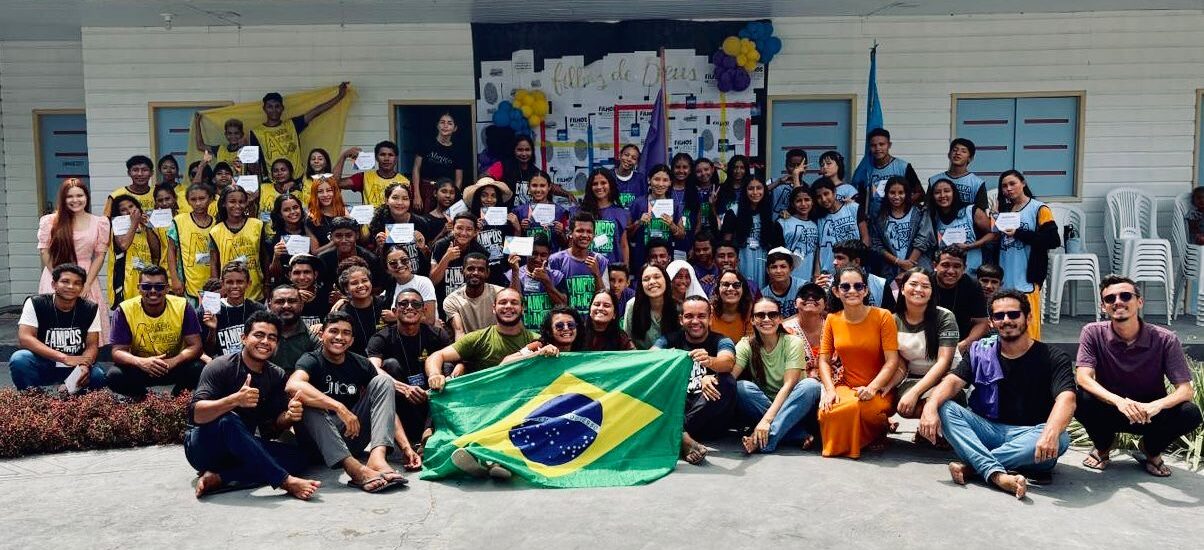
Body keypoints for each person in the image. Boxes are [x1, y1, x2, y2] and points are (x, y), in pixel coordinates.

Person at [919, 290, 1075, 499]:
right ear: (992, 323)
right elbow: (953, 381)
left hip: (1031, 439)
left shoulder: (1053, 357)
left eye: (1013, 314)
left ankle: (974, 466)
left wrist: (1050, 433)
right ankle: (998, 475)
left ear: (1028, 317)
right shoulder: (981, 351)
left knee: (1061, 438)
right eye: (999, 316)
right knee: (944, 406)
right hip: (988, 431)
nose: (1006, 320)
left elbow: (1067, 399)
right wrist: (930, 406)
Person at [1074, 276, 1203, 477]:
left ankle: (1150, 450)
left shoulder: (1165, 339)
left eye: (1125, 296)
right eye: (1110, 299)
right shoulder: (1092, 333)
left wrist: (1156, 406)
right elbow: (1083, 377)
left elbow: (1185, 390)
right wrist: (1119, 402)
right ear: (1103, 307)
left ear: (1139, 302)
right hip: (1110, 409)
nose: (1118, 301)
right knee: (1079, 397)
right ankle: (1103, 446)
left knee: (1190, 413)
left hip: (1149, 415)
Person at [187, 310, 321, 500]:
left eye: (272, 337)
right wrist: (234, 400)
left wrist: (288, 417)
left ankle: (221, 478)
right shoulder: (220, 366)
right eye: (259, 335)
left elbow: (270, 429)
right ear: (243, 338)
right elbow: (196, 415)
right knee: (228, 420)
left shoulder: (276, 375)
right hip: (204, 447)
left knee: (300, 458)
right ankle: (285, 481)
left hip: (242, 448)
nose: (265, 341)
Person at [287, 310, 409, 493]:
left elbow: (385, 406)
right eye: (333, 331)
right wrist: (338, 406)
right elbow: (292, 385)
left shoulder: (361, 363)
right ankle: (354, 468)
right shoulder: (311, 359)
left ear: (352, 340)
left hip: (351, 438)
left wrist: (406, 447)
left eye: (346, 333)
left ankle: (377, 458)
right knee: (306, 400)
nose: (339, 337)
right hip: (317, 442)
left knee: (383, 381)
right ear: (322, 335)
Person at [817, 266, 900, 458]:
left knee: (862, 411)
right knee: (827, 412)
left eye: (858, 286)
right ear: (836, 291)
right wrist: (830, 390)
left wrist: (872, 388)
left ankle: (878, 430)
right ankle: (858, 437)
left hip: (879, 389)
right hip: (846, 386)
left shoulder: (883, 316)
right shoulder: (831, 319)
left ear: (866, 290)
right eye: (845, 287)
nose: (852, 291)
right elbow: (824, 360)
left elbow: (892, 361)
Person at [652, 296, 737, 465]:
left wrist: (710, 363)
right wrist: (666, 357)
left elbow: (728, 362)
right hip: (680, 410)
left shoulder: (721, 340)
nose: (695, 321)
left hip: (710, 421)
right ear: (681, 319)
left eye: (701, 316)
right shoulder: (669, 340)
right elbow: (650, 359)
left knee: (727, 381)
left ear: (710, 319)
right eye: (689, 316)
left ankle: (676, 434)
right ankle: (684, 439)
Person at [366, 288, 453, 451]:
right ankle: (411, 439)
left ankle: (429, 432)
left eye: (416, 304)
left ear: (424, 310)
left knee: (448, 367)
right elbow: (372, 368)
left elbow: (459, 360)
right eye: (403, 303)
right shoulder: (381, 337)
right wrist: (404, 388)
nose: (410, 307)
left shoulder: (438, 335)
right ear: (394, 310)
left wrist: (448, 379)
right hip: (402, 407)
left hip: (432, 403)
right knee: (390, 365)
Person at [735, 298, 822, 454]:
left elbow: (789, 386)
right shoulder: (746, 344)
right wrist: (710, 378)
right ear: (753, 320)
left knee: (811, 385)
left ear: (780, 319)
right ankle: (794, 433)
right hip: (764, 404)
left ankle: (762, 440)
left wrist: (766, 421)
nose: (767, 319)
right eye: (760, 315)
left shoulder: (793, 342)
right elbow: (730, 376)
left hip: (795, 405)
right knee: (741, 387)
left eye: (772, 315)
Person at [106, 266, 205, 398]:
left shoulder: (182, 306)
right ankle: (144, 401)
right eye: (146, 286)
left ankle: (176, 400)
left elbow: (196, 346)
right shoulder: (125, 309)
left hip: (173, 365)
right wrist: (141, 362)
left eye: (159, 287)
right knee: (114, 375)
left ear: (167, 288)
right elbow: (117, 352)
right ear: (139, 288)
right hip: (141, 367)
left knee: (199, 368)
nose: (153, 291)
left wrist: (174, 361)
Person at [12, 264, 105, 391]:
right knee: (19, 359)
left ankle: (71, 400)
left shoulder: (90, 308)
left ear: (82, 287)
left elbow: (92, 345)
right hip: (44, 362)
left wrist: (84, 365)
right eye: (65, 282)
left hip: (75, 364)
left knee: (98, 375)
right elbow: (25, 338)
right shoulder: (36, 303)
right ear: (54, 285)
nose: (71, 287)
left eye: (77, 283)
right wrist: (63, 358)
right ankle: (34, 401)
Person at [37, 178, 110, 339]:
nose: (75, 200)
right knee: (55, 328)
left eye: (80, 195)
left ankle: (85, 363)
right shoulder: (50, 221)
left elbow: (100, 255)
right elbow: (44, 251)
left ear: (86, 197)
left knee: (86, 327)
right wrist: (59, 279)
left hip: (85, 278)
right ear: (63, 199)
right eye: (70, 196)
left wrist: (87, 284)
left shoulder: (100, 223)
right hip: (55, 275)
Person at [890, 268, 961, 429]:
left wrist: (915, 393)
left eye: (925, 286)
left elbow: (944, 362)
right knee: (905, 407)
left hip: (947, 378)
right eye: (913, 284)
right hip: (912, 378)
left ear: (932, 292)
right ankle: (930, 430)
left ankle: (935, 433)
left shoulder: (945, 317)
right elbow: (896, 362)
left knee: (941, 404)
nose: (919, 290)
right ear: (902, 289)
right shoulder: (892, 320)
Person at [424, 288, 536, 387]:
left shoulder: (538, 340)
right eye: (503, 302)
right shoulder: (478, 338)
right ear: (493, 308)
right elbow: (436, 356)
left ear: (522, 308)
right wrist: (435, 375)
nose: (508, 306)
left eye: (514, 303)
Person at [994, 170, 1059, 340]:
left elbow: (1053, 240)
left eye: (1012, 183)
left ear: (1023, 183)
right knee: (1007, 328)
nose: (1008, 188)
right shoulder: (1005, 210)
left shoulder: (1039, 208)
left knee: (1029, 328)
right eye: (1004, 186)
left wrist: (1019, 233)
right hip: (1005, 279)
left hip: (1026, 280)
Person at [249, 84, 349, 180]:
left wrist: (339, 96)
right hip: (273, 182)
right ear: (264, 109)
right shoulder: (256, 132)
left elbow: (316, 112)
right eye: (270, 106)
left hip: (297, 179)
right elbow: (254, 161)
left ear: (282, 108)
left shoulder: (292, 124)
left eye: (277, 106)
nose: (274, 110)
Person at [720, 177, 782, 289]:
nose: (755, 192)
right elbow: (726, 242)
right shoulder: (734, 211)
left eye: (759, 188)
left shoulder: (768, 212)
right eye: (750, 188)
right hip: (741, 256)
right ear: (745, 191)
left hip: (762, 256)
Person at [871, 176, 934, 283]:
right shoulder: (880, 218)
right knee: (894, 298)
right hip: (892, 273)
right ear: (886, 193)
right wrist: (898, 262)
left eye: (901, 192)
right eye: (892, 192)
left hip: (918, 270)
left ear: (907, 194)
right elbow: (877, 245)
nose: (896, 196)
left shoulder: (919, 212)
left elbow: (923, 239)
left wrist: (908, 267)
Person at [209, 186, 268, 302]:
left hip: (255, 289)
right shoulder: (215, 231)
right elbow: (214, 263)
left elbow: (264, 257)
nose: (237, 205)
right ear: (223, 204)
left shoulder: (257, 225)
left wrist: (267, 284)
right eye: (232, 201)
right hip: (229, 291)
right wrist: (217, 289)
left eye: (241, 202)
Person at [201, 262, 267, 361]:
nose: (235, 286)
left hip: (251, 362)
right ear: (222, 284)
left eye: (240, 282)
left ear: (248, 283)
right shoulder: (209, 309)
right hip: (220, 363)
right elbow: (207, 350)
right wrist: (212, 330)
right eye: (230, 282)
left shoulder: (258, 310)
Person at [927, 177, 994, 274]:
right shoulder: (933, 218)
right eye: (937, 192)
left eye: (947, 191)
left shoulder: (971, 211)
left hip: (975, 270)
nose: (942, 195)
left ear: (954, 193)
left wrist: (970, 246)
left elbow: (993, 233)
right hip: (949, 273)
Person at [548, 211, 608, 317]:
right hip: (567, 324)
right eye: (580, 231)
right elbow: (553, 299)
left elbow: (604, 298)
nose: (585, 235)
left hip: (593, 324)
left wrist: (596, 274)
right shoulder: (556, 260)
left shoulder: (601, 260)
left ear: (594, 235)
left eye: (589, 232)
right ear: (570, 233)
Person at [367, 183, 436, 274]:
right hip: (393, 279)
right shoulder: (379, 223)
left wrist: (424, 249)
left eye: (405, 199)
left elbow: (431, 257)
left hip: (419, 277)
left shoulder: (422, 223)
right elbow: (377, 261)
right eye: (395, 198)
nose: (400, 202)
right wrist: (380, 248)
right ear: (387, 200)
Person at [106, 194, 162, 306]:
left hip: (145, 279)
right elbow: (123, 245)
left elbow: (156, 252)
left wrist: (147, 226)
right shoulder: (118, 224)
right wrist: (134, 222)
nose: (129, 211)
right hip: (126, 280)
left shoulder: (143, 225)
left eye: (131, 206)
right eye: (123, 210)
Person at [932, 246, 989, 354]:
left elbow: (981, 323)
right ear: (935, 265)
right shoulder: (925, 283)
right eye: (945, 265)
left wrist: (964, 345)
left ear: (964, 268)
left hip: (960, 344)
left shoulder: (972, 285)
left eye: (957, 266)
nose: (951, 271)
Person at [464, 177, 521, 284]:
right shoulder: (470, 220)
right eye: (484, 195)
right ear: (478, 197)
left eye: (493, 196)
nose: (489, 200)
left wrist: (517, 229)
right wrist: (474, 232)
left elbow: (513, 251)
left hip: (503, 273)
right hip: (478, 273)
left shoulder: (506, 219)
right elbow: (464, 249)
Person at [627, 165, 685, 268]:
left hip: (664, 258)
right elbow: (627, 234)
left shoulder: (674, 205)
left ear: (670, 182)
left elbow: (681, 235)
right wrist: (639, 222)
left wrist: (672, 225)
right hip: (642, 256)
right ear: (649, 180)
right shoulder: (639, 203)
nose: (660, 184)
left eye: (665, 180)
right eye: (656, 179)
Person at [167, 184, 217, 301]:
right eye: (193, 199)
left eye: (202, 198)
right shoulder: (179, 221)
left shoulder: (216, 224)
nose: (198, 203)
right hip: (186, 281)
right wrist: (174, 279)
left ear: (210, 199)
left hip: (210, 280)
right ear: (188, 201)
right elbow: (171, 251)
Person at [860, 128, 922, 219]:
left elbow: (920, 194)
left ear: (889, 145)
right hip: (874, 224)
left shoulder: (903, 167)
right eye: (873, 145)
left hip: (898, 221)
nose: (878, 148)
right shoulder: (865, 170)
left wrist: (900, 205)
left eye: (881, 144)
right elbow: (861, 200)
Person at [508, 237, 566, 330]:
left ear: (549, 256)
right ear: (527, 253)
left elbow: (563, 305)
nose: (538, 259)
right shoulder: (511, 274)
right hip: (523, 333)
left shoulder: (557, 276)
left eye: (543, 255)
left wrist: (546, 281)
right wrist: (515, 272)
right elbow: (512, 304)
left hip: (550, 333)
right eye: (534, 254)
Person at [334, 141, 414, 209]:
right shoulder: (364, 177)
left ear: (396, 159)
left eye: (390, 155)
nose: (386, 158)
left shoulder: (405, 182)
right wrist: (343, 156)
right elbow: (334, 183)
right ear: (376, 158)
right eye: (382, 154)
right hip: (369, 227)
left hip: (392, 227)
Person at [329, 265, 388, 357]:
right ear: (346, 289)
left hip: (386, 357)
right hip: (358, 361)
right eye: (354, 283)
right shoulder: (343, 313)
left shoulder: (385, 303)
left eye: (365, 281)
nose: (361, 285)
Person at [814, 177, 869, 272]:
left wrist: (858, 261)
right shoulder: (818, 218)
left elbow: (865, 238)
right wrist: (817, 273)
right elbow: (819, 248)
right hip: (828, 272)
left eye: (826, 194)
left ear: (834, 192)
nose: (823, 199)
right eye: (819, 197)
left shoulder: (853, 208)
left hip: (853, 269)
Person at [412, 112, 467, 206]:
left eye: (450, 123)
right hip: (425, 189)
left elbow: (458, 179)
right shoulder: (426, 143)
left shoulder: (458, 150)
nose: (445, 126)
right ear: (437, 125)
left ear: (455, 128)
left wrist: (454, 197)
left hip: (446, 191)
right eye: (442, 122)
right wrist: (416, 194)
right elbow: (416, 168)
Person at [430, 213, 488, 302]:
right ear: (453, 229)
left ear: (475, 232)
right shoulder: (440, 246)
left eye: (469, 229)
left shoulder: (480, 251)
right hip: (443, 302)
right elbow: (433, 281)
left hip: (468, 303)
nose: (463, 233)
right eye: (459, 228)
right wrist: (446, 258)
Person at [577, 168, 630, 265]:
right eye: (595, 184)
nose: (599, 187)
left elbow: (624, 245)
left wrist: (625, 269)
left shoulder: (621, 212)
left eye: (603, 183)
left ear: (610, 185)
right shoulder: (580, 212)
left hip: (612, 268)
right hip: (585, 267)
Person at [501, 305, 588, 363]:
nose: (566, 329)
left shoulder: (582, 349)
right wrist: (538, 354)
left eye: (571, 325)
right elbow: (505, 362)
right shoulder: (539, 346)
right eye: (559, 326)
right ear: (550, 330)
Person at [317, 216, 383, 292]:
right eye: (338, 236)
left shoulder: (371, 259)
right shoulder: (323, 260)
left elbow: (377, 289)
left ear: (357, 235)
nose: (344, 240)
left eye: (348, 235)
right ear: (331, 237)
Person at [447, 253, 506, 338]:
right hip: (468, 345)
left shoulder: (500, 293)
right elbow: (459, 331)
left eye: (481, 270)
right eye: (470, 269)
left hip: (497, 342)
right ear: (462, 271)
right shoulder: (452, 300)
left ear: (487, 273)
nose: (475, 273)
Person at [265, 194, 319, 286]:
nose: (293, 212)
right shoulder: (276, 239)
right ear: (280, 214)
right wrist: (276, 257)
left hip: (311, 285)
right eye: (286, 210)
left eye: (295, 207)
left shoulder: (312, 231)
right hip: (286, 288)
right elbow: (274, 274)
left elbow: (319, 258)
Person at [623, 264, 681, 349]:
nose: (652, 282)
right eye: (646, 279)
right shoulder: (632, 305)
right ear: (641, 285)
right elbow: (627, 339)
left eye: (657, 277)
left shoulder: (678, 307)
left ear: (666, 280)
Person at [266, 284, 319, 372]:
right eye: (280, 301)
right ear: (270, 305)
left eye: (292, 301)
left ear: (301, 305)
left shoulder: (313, 338)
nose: (286, 306)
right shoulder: (260, 337)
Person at [380, 246, 437, 326]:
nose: (400, 265)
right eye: (393, 263)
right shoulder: (389, 289)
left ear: (410, 262)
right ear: (387, 269)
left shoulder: (423, 282)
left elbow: (429, 319)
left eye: (404, 260)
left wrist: (396, 317)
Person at [514, 171, 570, 251]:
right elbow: (513, 248)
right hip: (527, 261)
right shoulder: (519, 212)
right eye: (534, 185)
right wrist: (519, 230)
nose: (538, 190)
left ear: (549, 187)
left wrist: (561, 233)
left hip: (551, 260)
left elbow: (566, 245)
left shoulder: (560, 212)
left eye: (542, 186)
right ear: (528, 187)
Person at [928, 138, 989, 211]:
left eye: (963, 151)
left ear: (970, 158)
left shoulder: (977, 183)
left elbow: (981, 211)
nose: (958, 153)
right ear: (949, 155)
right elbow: (928, 207)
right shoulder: (934, 180)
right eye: (955, 150)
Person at [782, 282, 828, 370]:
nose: (810, 298)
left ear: (825, 304)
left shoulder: (833, 327)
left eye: (817, 295)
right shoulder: (784, 330)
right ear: (795, 304)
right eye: (804, 295)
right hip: (798, 381)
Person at [778, 186, 819, 282]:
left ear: (812, 202)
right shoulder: (783, 222)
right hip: (786, 277)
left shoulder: (815, 224)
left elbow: (816, 251)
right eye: (799, 201)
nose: (803, 204)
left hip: (807, 276)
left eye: (807, 200)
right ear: (792, 204)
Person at [287, 255, 331, 330]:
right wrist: (294, 300)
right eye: (297, 273)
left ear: (315, 274)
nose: (302, 277)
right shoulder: (282, 295)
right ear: (290, 275)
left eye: (307, 272)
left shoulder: (327, 295)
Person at [761, 248, 806, 319]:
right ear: (768, 270)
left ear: (791, 268)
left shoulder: (803, 287)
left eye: (783, 266)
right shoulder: (763, 295)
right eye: (774, 267)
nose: (778, 271)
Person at [305, 174, 346, 249]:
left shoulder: (345, 212)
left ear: (335, 192)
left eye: (329, 190)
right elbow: (315, 252)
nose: (325, 195)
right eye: (320, 191)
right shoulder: (311, 219)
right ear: (315, 194)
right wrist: (333, 243)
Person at [710, 269, 751, 343]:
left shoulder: (750, 313)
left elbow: (750, 345)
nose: (731, 289)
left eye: (736, 285)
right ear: (718, 289)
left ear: (743, 289)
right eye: (725, 284)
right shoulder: (709, 312)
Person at [767, 149, 807, 217]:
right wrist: (778, 182)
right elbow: (760, 193)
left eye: (799, 166)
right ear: (786, 166)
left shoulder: (806, 188)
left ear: (805, 167)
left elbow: (799, 197)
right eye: (792, 165)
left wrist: (796, 177)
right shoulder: (773, 181)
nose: (796, 169)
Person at [610, 143, 645, 208]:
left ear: (637, 162)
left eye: (634, 158)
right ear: (620, 155)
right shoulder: (608, 176)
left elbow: (643, 203)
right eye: (626, 155)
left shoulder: (640, 179)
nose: (629, 159)